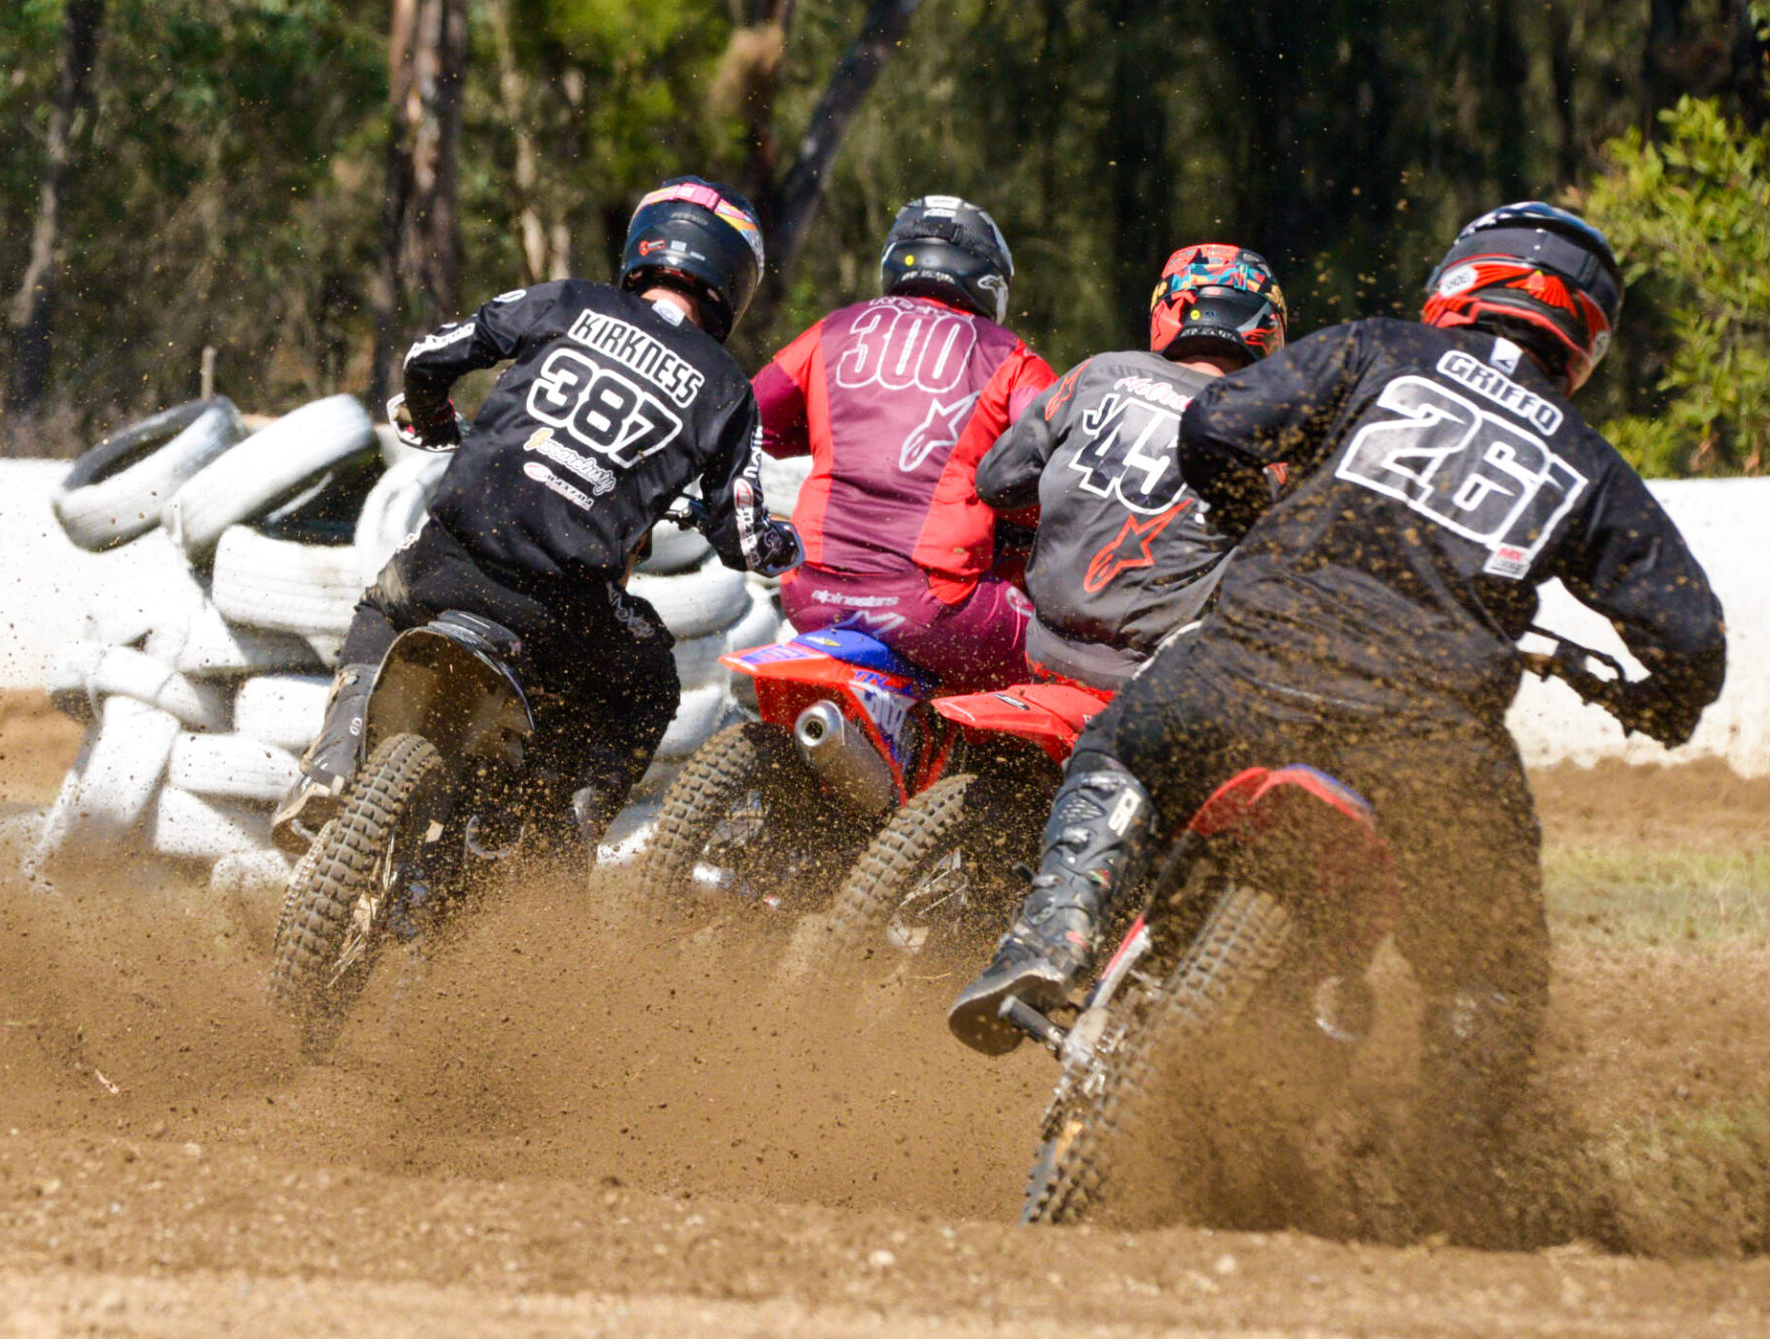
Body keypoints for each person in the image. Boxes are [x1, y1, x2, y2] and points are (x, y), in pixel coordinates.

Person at [950, 204, 1726, 1169]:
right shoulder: (1585, 460)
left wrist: (1245, 513)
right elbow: (1693, 639)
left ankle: (1054, 932)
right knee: (1490, 965)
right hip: (1430, 739)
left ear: (1460, 286)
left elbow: (1218, 421)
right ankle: (1455, 1162)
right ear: (1585, 338)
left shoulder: (1376, 350)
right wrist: (1658, 703)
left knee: (1124, 747)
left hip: (1250, 662)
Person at [272, 176, 802, 867]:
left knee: (382, 603)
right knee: (649, 679)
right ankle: (558, 842)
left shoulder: (567, 300)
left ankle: (330, 765)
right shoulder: (727, 388)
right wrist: (776, 545)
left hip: (450, 561)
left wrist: (434, 423)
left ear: (641, 245)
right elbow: (741, 533)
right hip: (560, 608)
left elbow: (429, 359)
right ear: (733, 279)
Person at [753, 196, 1055, 691]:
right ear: (991, 279)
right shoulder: (1011, 356)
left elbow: (753, 418)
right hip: (934, 606)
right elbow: (1056, 454)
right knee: (1062, 660)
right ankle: (1006, 768)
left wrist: (835, 437)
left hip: (808, 590)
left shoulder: (835, 327)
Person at [973, 243, 1289, 695]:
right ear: (1267, 327)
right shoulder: (1269, 434)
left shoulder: (1099, 373)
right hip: (1154, 681)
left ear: (1169, 309)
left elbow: (996, 482)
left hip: (1044, 649)